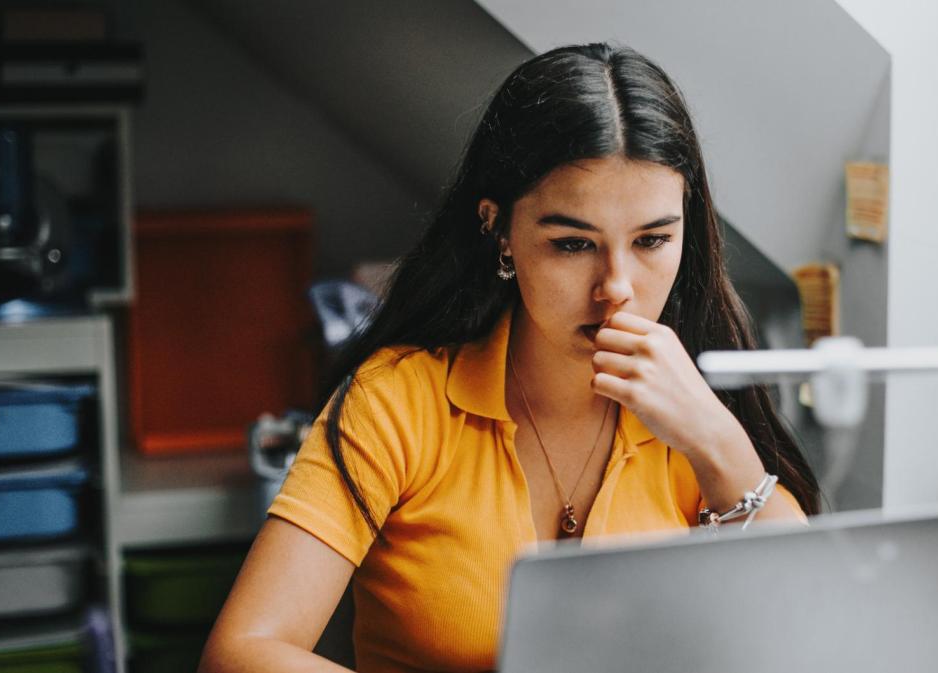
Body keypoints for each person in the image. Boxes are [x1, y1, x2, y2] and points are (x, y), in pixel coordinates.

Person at [199, 42, 821, 673]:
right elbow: (239, 654)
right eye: (573, 244)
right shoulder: (396, 400)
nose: (618, 287)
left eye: (653, 239)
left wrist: (717, 441)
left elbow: (812, 636)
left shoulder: (694, 415)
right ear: (500, 230)